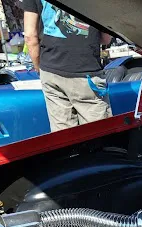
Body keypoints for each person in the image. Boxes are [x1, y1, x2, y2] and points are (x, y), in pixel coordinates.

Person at [22, 0, 112, 131]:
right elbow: (105, 38)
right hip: (84, 70)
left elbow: (30, 36)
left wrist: (39, 68)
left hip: (50, 70)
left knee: (64, 137)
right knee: (97, 135)